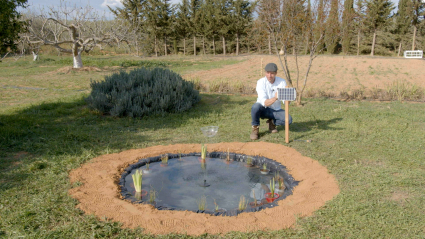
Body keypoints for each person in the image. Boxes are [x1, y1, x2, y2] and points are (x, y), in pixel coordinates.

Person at [250, 63, 293, 140]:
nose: (269, 75)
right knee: (255, 107)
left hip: (276, 110)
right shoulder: (260, 82)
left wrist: (288, 97)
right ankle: (255, 128)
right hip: (262, 109)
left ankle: (272, 122)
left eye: (272, 73)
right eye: (268, 73)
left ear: (276, 73)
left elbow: (286, 102)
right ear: (265, 72)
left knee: (289, 120)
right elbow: (264, 102)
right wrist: (276, 97)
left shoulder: (282, 82)